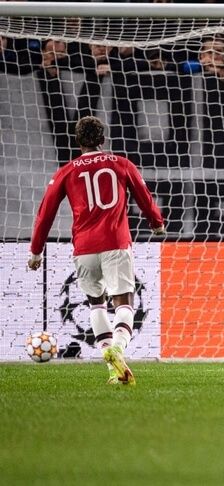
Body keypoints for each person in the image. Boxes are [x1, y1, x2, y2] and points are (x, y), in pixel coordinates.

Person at [28, 116, 165, 385]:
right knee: (124, 303)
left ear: (78, 142)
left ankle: (114, 371)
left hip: (84, 248)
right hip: (115, 242)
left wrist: (36, 252)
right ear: (102, 140)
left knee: (96, 304)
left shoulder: (66, 172)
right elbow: (144, 196)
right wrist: (157, 223)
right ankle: (118, 348)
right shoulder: (121, 164)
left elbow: (45, 214)